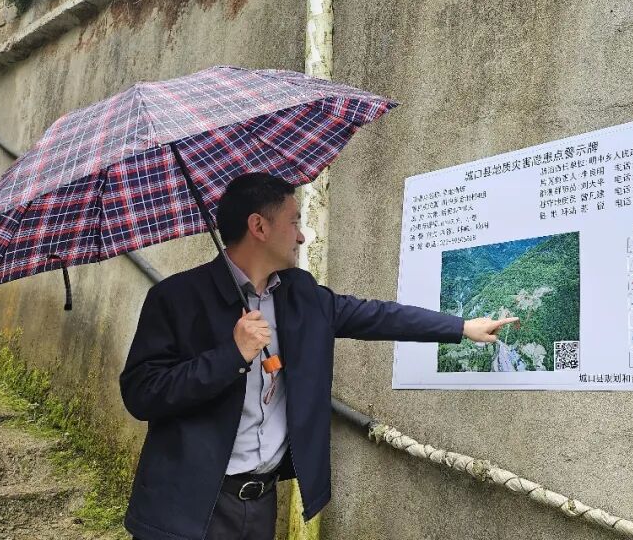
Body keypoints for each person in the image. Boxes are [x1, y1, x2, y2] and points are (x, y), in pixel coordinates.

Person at [119, 173, 515, 540]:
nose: (302, 235)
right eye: (294, 222)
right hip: (184, 508)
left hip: (260, 502)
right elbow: (141, 393)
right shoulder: (175, 298)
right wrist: (231, 354)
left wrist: (460, 327)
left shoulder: (300, 294)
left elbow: (375, 316)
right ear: (259, 227)